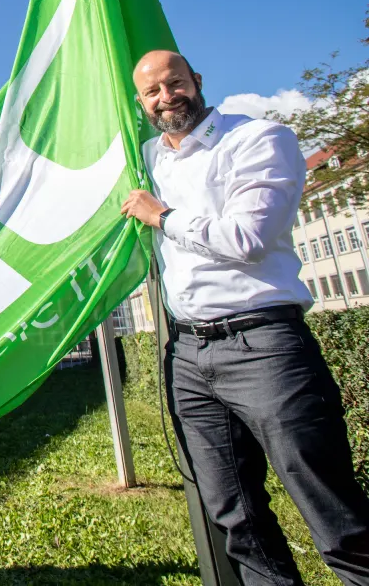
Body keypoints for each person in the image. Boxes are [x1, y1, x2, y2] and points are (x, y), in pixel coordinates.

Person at [121, 50, 369, 586]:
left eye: (175, 84)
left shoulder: (259, 140)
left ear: (197, 81)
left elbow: (248, 237)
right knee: (236, 515)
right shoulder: (147, 157)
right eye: (153, 92)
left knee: (330, 505)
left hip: (264, 346)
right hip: (188, 354)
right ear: (140, 103)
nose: (167, 98)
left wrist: (161, 216)